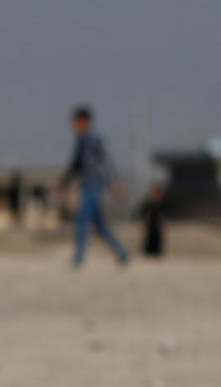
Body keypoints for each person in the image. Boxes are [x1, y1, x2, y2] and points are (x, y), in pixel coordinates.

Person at [60, 105, 127, 268]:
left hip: (95, 185)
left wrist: (115, 182)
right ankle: (122, 253)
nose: (74, 125)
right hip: (86, 185)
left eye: (76, 121)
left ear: (84, 121)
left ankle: (79, 258)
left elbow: (107, 162)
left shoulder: (94, 140)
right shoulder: (80, 140)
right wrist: (64, 182)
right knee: (99, 225)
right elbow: (75, 165)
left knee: (83, 219)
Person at [138, 181, 167, 259]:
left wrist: (162, 223)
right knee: (148, 244)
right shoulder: (148, 204)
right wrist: (145, 224)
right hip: (150, 226)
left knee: (157, 244)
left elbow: (163, 217)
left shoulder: (162, 204)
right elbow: (144, 215)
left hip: (157, 228)